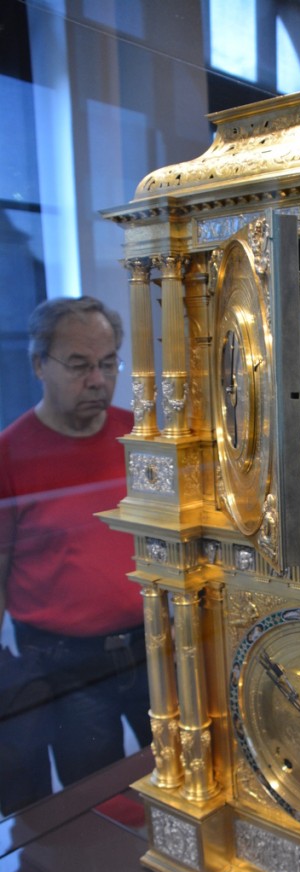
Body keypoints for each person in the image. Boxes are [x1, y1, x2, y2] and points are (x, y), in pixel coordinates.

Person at [0, 296, 151, 816]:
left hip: (154, 646)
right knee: (96, 807)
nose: (98, 380)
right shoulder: (9, 454)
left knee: (180, 782)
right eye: (80, 365)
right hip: (64, 663)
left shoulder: (142, 438)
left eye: (108, 363)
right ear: (39, 364)